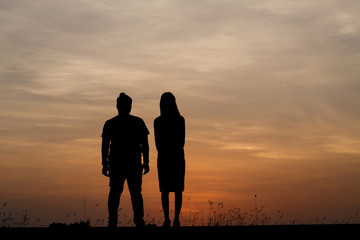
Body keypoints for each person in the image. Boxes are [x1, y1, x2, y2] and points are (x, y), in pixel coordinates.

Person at [101, 92, 150, 228]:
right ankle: (135, 221)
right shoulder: (137, 122)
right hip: (127, 163)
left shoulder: (111, 123)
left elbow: (105, 146)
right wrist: (146, 162)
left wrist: (105, 164)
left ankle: (118, 221)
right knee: (129, 193)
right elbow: (145, 144)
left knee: (119, 193)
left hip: (124, 163)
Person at [154, 92, 185, 227]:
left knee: (170, 190)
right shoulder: (178, 120)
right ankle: (172, 219)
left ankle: (171, 219)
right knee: (171, 190)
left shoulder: (162, 121)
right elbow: (180, 142)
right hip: (173, 157)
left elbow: (159, 144)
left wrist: (167, 150)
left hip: (168, 157)